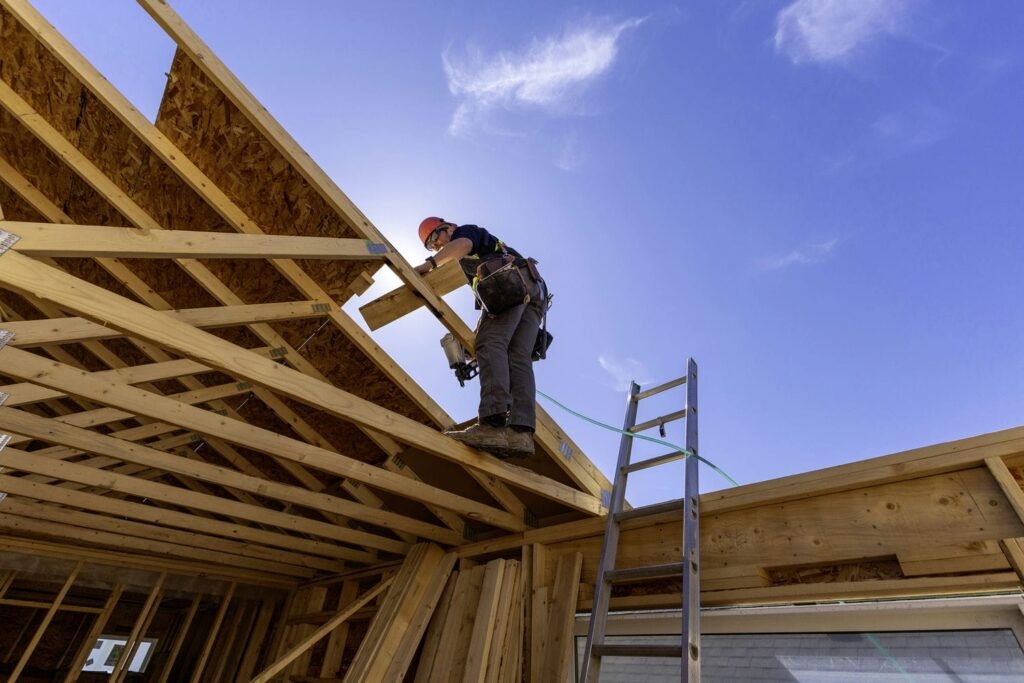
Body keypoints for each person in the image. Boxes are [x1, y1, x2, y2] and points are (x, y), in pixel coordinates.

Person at [415, 217, 545, 458]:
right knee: (517, 357)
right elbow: (491, 308)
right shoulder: (477, 262)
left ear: (449, 227)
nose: (436, 246)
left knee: (491, 343)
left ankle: (492, 424)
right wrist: (475, 339)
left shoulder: (463, 234)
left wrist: (430, 264)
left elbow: (462, 244)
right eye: (431, 246)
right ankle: (521, 433)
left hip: (511, 282)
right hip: (532, 289)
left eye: (435, 238)